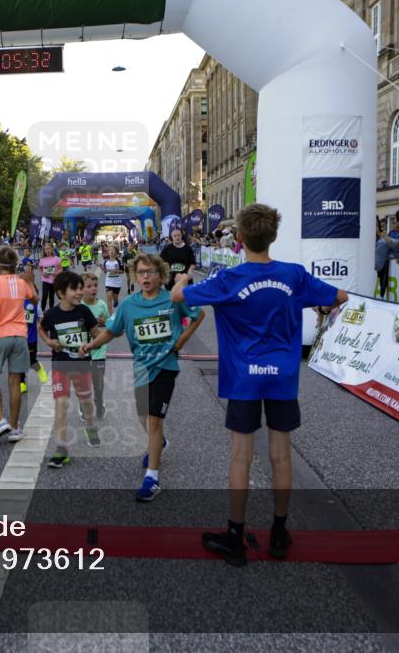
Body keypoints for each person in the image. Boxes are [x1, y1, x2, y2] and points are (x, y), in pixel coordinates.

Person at [171, 203, 348, 566]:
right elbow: (339, 297)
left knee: (241, 455)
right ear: (273, 236)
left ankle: (235, 536)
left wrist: (182, 279)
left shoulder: (227, 279)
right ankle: (279, 533)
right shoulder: (294, 276)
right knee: (280, 455)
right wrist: (318, 306)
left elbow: (177, 298)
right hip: (282, 375)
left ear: (239, 238)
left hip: (243, 378)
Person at [82, 253, 203, 501]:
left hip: (165, 366)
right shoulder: (128, 304)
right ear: (134, 276)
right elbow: (112, 332)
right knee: (142, 418)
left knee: (154, 420)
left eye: (151, 272)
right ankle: (160, 443)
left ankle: (152, 478)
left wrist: (181, 340)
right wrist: (92, 345)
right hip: (141, 367)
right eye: (141, 272)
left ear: (161, 275)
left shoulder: (172, 299)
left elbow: (198, 315)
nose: (145, 276)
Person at [39, 271, 102, 465]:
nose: (79, 292)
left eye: (80, 288)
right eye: (74, 289)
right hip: (60, 365)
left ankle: (91, 427)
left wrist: (90, 345)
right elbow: (40, 328)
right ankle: (61, 449)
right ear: (60, 293)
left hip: (82, 365)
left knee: (86, 401)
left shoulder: (84, 312)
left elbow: (98, 335)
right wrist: (49, 341)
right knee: (61, 405)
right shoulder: (51, 314)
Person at [0, 246, 37, 442]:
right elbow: (35, 299)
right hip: (20, 336)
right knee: (15, 382)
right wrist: (30, 282)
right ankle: (15, 427)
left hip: (0, 335)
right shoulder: (21, 283)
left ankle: (0, 420)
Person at [80, 273, 109, 419]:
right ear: (81, 288)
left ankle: (99, 403)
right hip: (83, 351)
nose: (93, 289)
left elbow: (109, 324)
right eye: (89, 286)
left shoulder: (102, 304)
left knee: (98, 382)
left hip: (99, 350)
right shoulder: (78, 306)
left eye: (95, 286)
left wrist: (104, 322)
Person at [38, 242, 60, 312]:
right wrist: (42, 273)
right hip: (45, 280)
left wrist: (56, 273)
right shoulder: (42, 259)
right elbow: (40, 268)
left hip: (53, 281)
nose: (47, 250)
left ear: (52, 249)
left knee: (51, 297)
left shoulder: (56, 259)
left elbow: (61, 269)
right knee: (44, 296)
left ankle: (51, 311)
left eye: (48, 248)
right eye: (45, 249)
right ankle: (42, 311)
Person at [102, 244, 125, 309]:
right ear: (108, 252)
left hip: (117, 283)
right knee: (109, 297)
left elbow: (122, 271)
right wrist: (103, 269)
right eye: (110, 250)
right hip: (109, 282)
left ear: (116, 252)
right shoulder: (105, 261)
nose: (111, 252)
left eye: (113, 250)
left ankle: (116, 300)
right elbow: (105, 271)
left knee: (115, 297)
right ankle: (110, 316)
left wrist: (114, 271)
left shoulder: (119, 261)